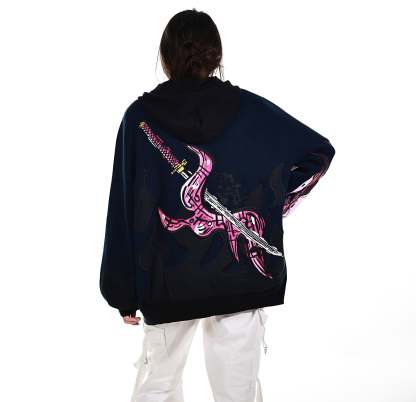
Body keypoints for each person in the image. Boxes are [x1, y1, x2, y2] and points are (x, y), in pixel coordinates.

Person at [99, 8, 336, 402]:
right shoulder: (251, 111)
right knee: (237, 393)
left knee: (158, 387)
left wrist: (120, 290)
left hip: (166, 279)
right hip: (240, 277)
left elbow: (124, 208)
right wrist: (269, 203)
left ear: (165, 56)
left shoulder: (140, 119)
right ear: (216, 55)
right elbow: (318, 153)